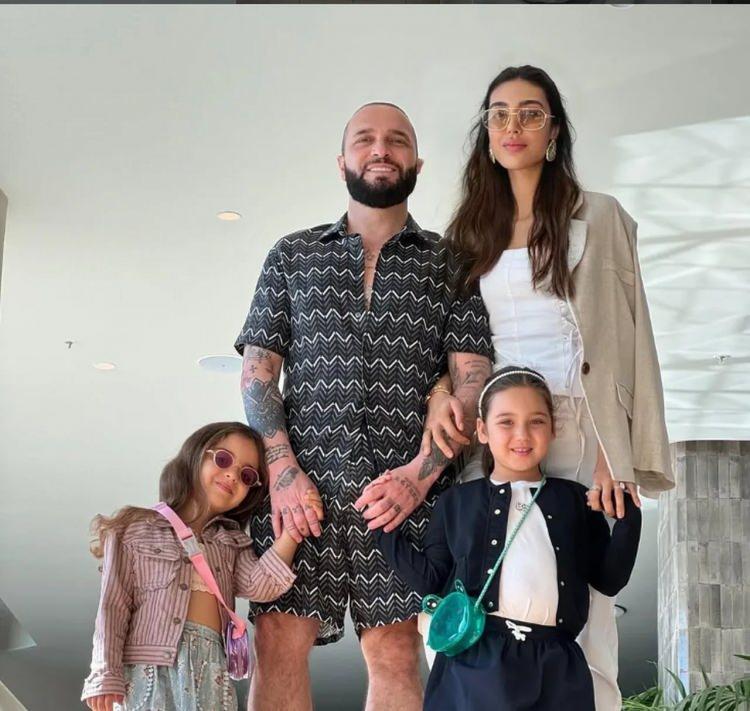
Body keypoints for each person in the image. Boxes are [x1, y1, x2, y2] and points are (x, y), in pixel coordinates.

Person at [422, 65, 674, 709]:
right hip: (494, 427)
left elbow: (631, 338)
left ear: (554, 131)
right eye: (499, 114)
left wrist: (618, 453)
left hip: (580, 426)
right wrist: (438, 395)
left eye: (530, 113)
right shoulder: (466, 232)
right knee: (481, 594)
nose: (514, 126)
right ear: (486, 132)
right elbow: (449, 341)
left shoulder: (602, 216)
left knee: (584, 607)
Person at [235, 102, 493, 710]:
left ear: (417, 163)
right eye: (366, 139)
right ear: (342, 161)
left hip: (405, 497)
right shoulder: (292, 254)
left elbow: (472, 381)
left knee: (397, 650)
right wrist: (282, 469)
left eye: (397, 140)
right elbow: (258, 372)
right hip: (302, 492)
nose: (381, 150)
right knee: (277, 640)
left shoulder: (452, 263)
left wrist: (418, 477)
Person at [375, 367, 642, 711]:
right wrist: (381, 526)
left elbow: (609, 579)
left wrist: (628, 512)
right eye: (506, 422)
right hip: (476, 665)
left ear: (553, 429)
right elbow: (432, 579)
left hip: (558, 667)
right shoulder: (456, 502)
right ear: (482, 430)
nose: (522, 435)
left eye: (536, 421)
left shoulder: (575, 499)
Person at [81, 421, 319, 711]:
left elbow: (261, 585)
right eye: (223, 459)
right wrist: (104, 674)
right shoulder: (133, 528)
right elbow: (113, 607)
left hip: (211, 670)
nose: (232, 475)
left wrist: (293, 529)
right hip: (149, 669)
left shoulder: (231, 541)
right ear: (195, 454)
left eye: (247, 475)